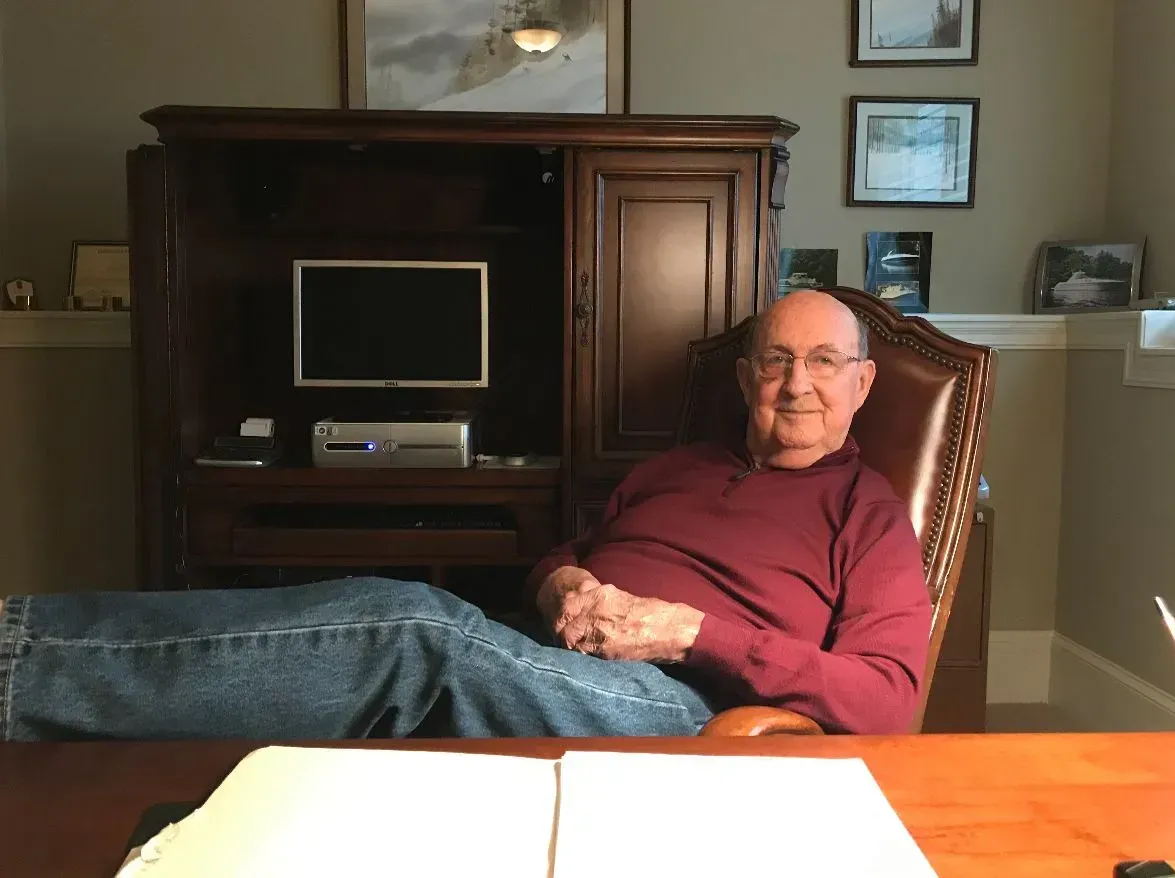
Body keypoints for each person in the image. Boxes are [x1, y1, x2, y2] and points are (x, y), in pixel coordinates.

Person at [0, 291, 931, 742]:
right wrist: (560, 576)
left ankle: (17, 666)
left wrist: (693, 632)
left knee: (414, 631)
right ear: (744, 379)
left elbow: (888, 700)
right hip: (551, 646)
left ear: (861, 382)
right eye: (774, 361)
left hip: (678, 703)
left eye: (819, 363)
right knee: (397, 621)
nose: (795, 384)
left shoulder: (866, 511)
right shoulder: (675, 466)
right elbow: (578, 549)